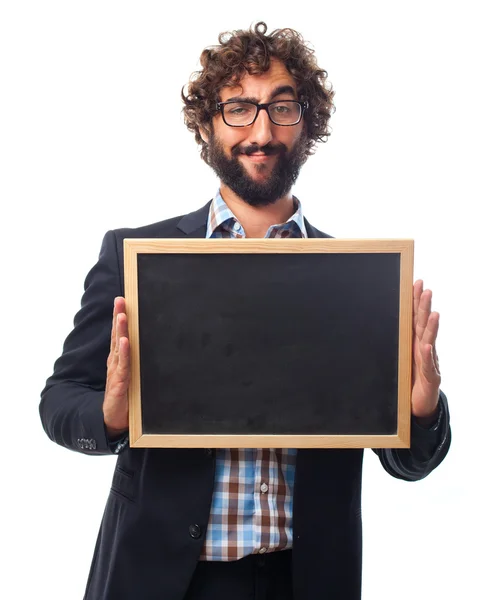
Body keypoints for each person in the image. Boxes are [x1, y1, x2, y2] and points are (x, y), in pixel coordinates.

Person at [40, 22, 451, 600]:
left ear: (307, 122)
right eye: (239, 108)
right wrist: (111, 416)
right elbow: (59, 400)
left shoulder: (359, 278)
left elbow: (408, 460)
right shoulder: (134, 259)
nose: (262, 131)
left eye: (282, 108)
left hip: (305, 580)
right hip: (162, 579)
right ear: (208, 125)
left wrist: (423, 408)